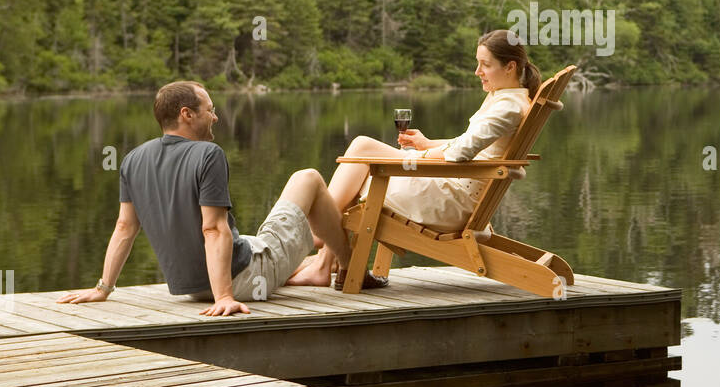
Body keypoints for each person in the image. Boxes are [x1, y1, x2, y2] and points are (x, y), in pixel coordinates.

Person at [58, 80, 385, 319]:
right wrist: (225, 296)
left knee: (255, 237)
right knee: (309, 179)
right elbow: (213, 230)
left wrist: (102, 288)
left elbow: (124, 227)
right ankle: (348, 267)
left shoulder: (133, 159)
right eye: (210, 111)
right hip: (241, 279)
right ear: (187, 114)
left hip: (190, 287)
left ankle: (316, 265)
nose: (215, 118)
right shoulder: (207, 155)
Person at [289, 29, 540, 286]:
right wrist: (426, 144)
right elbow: (471, 145)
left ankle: (319, 239)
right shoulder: (505, 99)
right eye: (478, 63)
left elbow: (461, 152)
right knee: (359, 164)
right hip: (456, 189)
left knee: (362, 149)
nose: (477, 71)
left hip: (453, 202)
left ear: (510, 67)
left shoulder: (507, 107)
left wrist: (421, 155)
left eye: (485, 65)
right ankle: (325, 260)